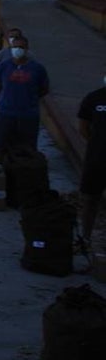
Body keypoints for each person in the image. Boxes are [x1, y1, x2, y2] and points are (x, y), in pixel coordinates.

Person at [0, 36, 49, 152]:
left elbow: (44, 88)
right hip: (5, 112)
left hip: (28, 114)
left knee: (27, 146)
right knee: (2, 145)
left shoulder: (37, 68)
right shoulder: (4, 66)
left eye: (21, 47)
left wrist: (31, 98)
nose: (18, 49)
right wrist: (2, 95)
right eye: (15, 47)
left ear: (27, 49)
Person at [77, 73, 106, 253]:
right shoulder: (94, 98)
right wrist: (96, 144)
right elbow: (83, 127)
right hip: (96, 159)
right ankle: (85, 238)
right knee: (90, 199)